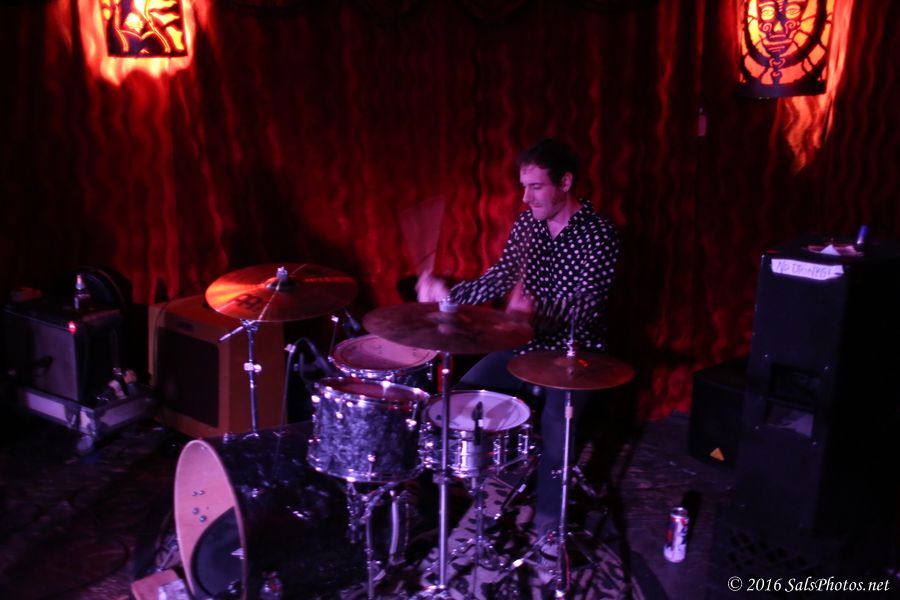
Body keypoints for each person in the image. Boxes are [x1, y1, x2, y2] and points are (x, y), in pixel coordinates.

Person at [416, 138, 620, 541]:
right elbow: (500, 277)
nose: (526, 197)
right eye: (524, 187)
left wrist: (534, 312)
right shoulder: (528, 224)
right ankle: (439, 510)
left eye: (536, 187)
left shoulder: (600, 234)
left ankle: (548, 530)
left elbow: (588, 305)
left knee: (557, 426)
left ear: (565, 182)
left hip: (575, 352)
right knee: (455, 399)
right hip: (524, 344)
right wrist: (447, 296)